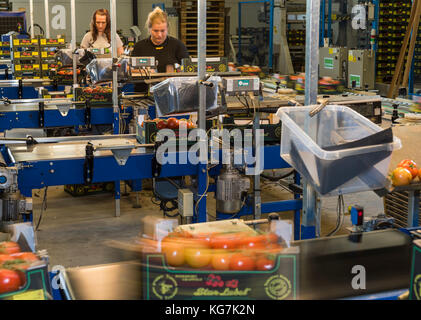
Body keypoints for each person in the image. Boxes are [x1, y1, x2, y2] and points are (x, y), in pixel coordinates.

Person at [131, 7, 189, 73]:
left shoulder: (178, 46)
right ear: (149, 29)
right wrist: (144, 71)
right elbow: (129, 68)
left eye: (162, 31)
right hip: (145, 83)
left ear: (167, 29)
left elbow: (187, 70)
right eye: (155, 31)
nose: (159, 35)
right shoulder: (139, 47)